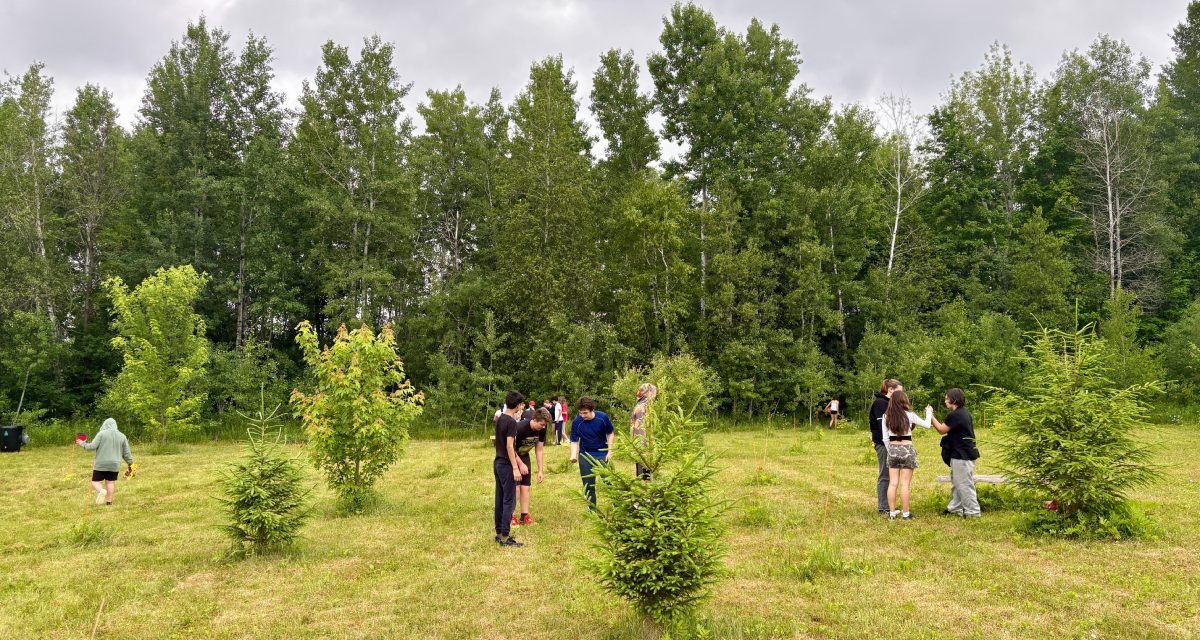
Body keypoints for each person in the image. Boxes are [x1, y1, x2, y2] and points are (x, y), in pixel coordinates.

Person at [881, 390, 933, 520]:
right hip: (907, 449)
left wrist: (891, 450)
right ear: (904, 401)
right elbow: (927, 425)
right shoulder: (910, 415)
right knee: (905, 484)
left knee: (893, 483)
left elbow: (885, 438)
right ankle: (905, 513)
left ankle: (892, 513)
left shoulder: (886, 416)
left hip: (893, 449)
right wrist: (929, 412)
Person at [931, 388, 981, 517]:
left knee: (964, 483)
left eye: (947, 398)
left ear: (954, 399)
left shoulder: (956, 414)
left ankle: (973, 512)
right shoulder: (963, 413)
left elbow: (942, 430)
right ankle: (955, 509)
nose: (945, 400)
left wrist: (930, 416)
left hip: (962, 454)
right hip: (963, 453)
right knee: (957, 482)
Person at [493, 391, 526, 547]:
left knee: (500, 498)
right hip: (506, 464)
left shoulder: (500, 418)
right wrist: (515, 467)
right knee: (509, 500)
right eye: (521, 405)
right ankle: (505, 537)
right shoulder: (511, 422)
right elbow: (509, 446)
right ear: (518, 405)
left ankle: (499, 533)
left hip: (497, 462)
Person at [568, 396, 614, 508]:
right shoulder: (577, 422)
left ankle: (617, 506)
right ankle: (592, 508)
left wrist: (610, 451)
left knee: (609, 482)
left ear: (592, 410)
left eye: (585, 413)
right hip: (585, 455)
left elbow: (610, 433)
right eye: (581, 413)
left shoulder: (602, 417)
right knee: (588, 485)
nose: (583, 416)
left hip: (602, 454)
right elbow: (574, 440)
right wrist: (573, 455)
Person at [76, 418, 134, 506]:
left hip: (101, 463)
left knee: (95, 481)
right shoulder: (122, 436)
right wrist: (131, 463)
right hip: (115, 464)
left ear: (104, 425)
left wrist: (82, 443)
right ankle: (109, 502)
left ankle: (101, 491)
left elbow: (91, 446)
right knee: (110, 482)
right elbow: (126, 453)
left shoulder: (101, 434)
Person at [511, 407, 550, 527]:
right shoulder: (520, 428)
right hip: (512, 457)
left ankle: (524, 516)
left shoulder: (542, 429)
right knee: (516, 488)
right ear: (534, 419)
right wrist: (519, 465)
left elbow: (539, 450)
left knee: (525, 487)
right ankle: (510, 516)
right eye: (541, 424)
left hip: (524, 456)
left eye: (545, 425)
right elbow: (510, 448)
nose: (543, 427)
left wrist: (540, 470)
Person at [869, 380, 902, 515]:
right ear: (890, 390)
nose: (902, 394)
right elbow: (884, 427)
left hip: (892, 443)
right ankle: (883, 507)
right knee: (885, 474)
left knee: (891, 474)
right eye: (900, 390)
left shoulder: (890, 403)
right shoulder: (880, 404)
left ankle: (889, 504)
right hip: (883, 444)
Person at [630, 383, 657, 481]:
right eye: (654, 393)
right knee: (645, 467)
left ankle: (644, 483)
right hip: (644, 442)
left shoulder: (640, 404)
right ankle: (645, 486)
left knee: (642, 464)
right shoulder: (643, 407)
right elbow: (641, 427)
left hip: (639, 441)